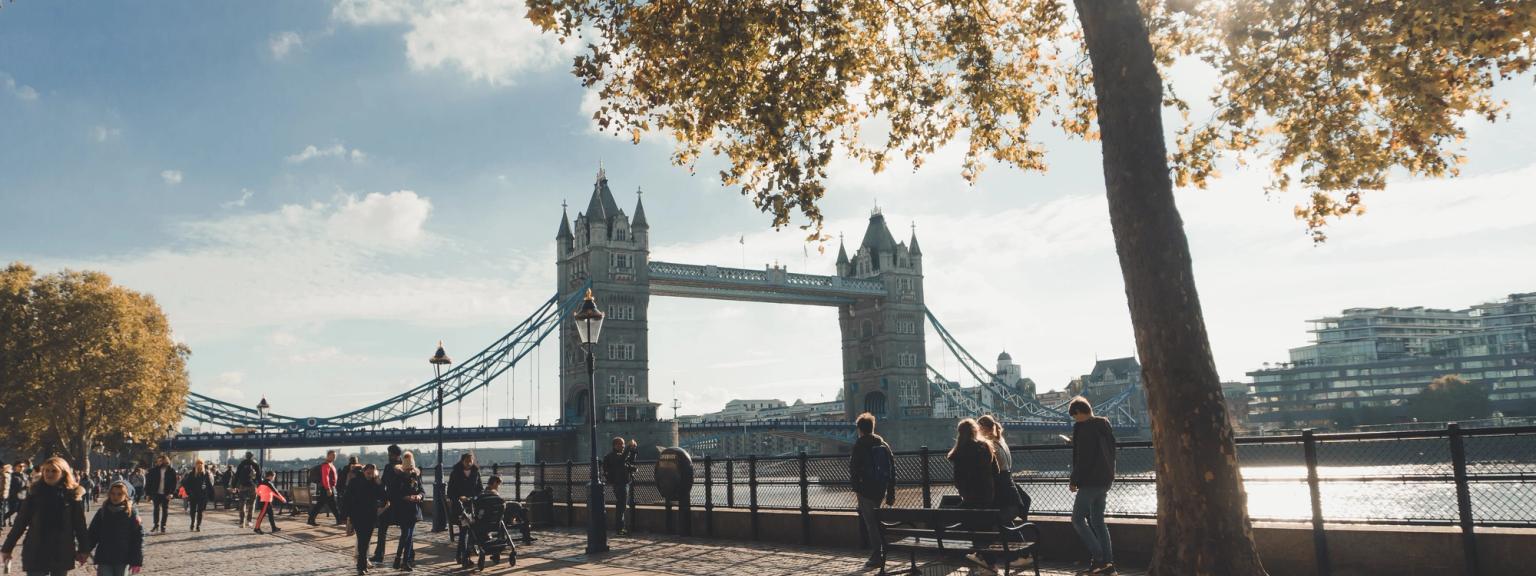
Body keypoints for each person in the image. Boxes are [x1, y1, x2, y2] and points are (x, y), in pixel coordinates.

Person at [1, 457, 91, 576]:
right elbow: (20, 523)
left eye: (54, 471)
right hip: (36, 549)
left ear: (63, 473)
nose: (49, 474)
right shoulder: (34, 493)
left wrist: (84, 550)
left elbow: (80, 525)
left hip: (61, 550)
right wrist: (8, 547)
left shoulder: (72, 495)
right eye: (47, 470)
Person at [1069, 397, 1118, 576]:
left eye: (1075, 417)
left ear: (1080, 413)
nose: (1075, 420)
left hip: (1090, 481)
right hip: (1105, 479)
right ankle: (1108, 563)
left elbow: (1084, 459)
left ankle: (1098, 559)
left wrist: (1074, 480)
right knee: (1098, 521)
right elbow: (1110, 452)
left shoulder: (1085, 428)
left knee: (1077, 519)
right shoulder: (1104, 425)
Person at [848, 412, 897, 569]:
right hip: (881, 489)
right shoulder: (883, 444)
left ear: (860, 429)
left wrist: (858, 489)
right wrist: (890, 493)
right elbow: (892, 469)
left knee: (871, 524)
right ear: (873, 427)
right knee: (877, 521)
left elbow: (853, 469)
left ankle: (877, 555)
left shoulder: (860, 445)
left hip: (866, 491)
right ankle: (881, 551)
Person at [87, 480, 144, 576]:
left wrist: (136, 560)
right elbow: (92, 533)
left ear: (126, 495)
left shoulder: (131, 513)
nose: (115, 497)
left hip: (123, 558)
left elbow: (138, 538)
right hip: (104, 556)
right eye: (113, 493)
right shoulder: (103, 512)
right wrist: (85, 550)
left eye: (119, 494)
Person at [342, 464, 387, 576]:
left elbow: (384, 498)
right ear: (364, 471)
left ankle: (361, 564)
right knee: (362, 540)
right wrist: (346, 516)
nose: (370, 473)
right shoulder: (355, 481)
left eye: (372, 472)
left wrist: (379, 483)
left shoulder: (375, 483)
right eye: (368, 471)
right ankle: (361, 566)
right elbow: (347, 499)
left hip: (371, 516)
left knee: (365, 541)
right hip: (357, 515)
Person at [388, 452, 425, 572]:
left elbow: (422, 490)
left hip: (413, 509)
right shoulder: (398, 477)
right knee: (406, 534)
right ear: (404, 467)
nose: (410, 471)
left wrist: (419, 496)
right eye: (408, 469)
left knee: (409, 537)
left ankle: (404, 561)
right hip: (402, 509)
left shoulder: (416, 476)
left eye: (411, 469)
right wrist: (406, 497)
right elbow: (393, 493)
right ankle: (398, 558)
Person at [369, 445, 404, 567]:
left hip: (399, 502)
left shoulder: (403, 467)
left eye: (390, 454)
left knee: (404, 530)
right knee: (383, 528)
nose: (389, 456)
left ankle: (409, 554)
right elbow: (383, 483)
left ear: (396, 455)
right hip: (389, 502)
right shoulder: (389, 467)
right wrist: (376, 478)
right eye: (389, 454)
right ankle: (379, 555)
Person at [446, 453, 481, 561]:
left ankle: (461, 555)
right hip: (460, 507)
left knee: (468, 530)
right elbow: (450, 492)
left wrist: (474, 497)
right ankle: (463, 556)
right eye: (467, 461)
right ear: (462, 461)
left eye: (471, 460)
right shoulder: (455, 473)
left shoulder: (476, 472)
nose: (469, 463)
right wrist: (459, 497)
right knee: (465, 529)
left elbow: (480, 489)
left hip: (473, 506)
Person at [600, 437, 635, 536]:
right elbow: (622, 459)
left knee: (622, 506)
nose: (623, 446)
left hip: (624, 483)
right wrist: (629, 446)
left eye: (624, 444)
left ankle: (621, 529)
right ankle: (620, 529)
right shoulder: (613, 456)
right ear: (615, 445)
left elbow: (630, 461)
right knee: (621, 506)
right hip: (619, 484)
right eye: (621, 444)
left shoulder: (619, 455)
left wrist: (633, 450)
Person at [143, 455, 177, 533]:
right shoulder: (153, 470)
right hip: (156, 493)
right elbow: (148, 483)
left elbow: (174, 483)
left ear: (165, 461)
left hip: (166, 493)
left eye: (161, 461)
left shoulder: (171, 471)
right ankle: (156, 525)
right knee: (156, 509)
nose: (159, 462)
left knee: (165, 510)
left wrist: (172, 493)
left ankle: (163, 526)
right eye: (158, 461)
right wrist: (147, 494)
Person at [179, 459, 215, 532]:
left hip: (202, 495)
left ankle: (198, 525)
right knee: (192, 510)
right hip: (193, 495)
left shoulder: (205, 474)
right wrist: (189, 492)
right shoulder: (192, 473)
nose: (199, 465)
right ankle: (192, 522)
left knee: (200, 511)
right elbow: (185, 483)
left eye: (201, 463)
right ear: (196, 465)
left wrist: (211, 494)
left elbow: (209, 485)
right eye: (198, 463)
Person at [308, 450, 341, 526]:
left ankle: (311, 520)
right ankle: (339, 520)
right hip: (327, 488)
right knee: (331, 505)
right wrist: (328, 488)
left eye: (335, 456)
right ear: (328, 455)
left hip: (327, 487)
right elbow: (325, 477)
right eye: (332, 455)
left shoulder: (330, 464)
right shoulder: (326, 465)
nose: (334, 457)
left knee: (324, 504)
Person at [253, 470, 286, 534]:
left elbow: (257, 492)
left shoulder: (262, 482)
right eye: (274, 476)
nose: (274, 478)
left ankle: (274, 528)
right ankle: (256, 528)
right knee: (261, 515)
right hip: (266, 501)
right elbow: (275, 492)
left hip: (265, 501)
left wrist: (262, 495)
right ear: (271, 476)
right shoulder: (269, 483)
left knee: (271, 515)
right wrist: (282, 499)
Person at [233, 452, 261, 528]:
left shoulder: (242, 464)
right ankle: (249, 521)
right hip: (252, 486)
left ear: (245, 456)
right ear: (252, 456)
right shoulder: (255, 464)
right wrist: (260, 486)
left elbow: (237, 475)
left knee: (242, 504)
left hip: (242, 486)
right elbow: (259, 476)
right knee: (252, 504)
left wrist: (234, 486)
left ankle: (242, 522)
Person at [338, 455, 363, 528]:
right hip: (356, 491)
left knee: (348, 509)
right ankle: (352, 526)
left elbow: (343, 481)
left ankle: (349, 525)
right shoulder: (360, 468)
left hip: (346, 490)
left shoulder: (346, 468)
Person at [4, 461, 26, 527]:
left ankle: (19, 524)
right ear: (15, 467)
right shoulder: (12, 476)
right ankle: (2, 519)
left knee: (21, 512)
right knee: (12, 510)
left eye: (23, 466)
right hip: (13, 496)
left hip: (23, 496)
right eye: (20, 466)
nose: (22, 468)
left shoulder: (25, 475)